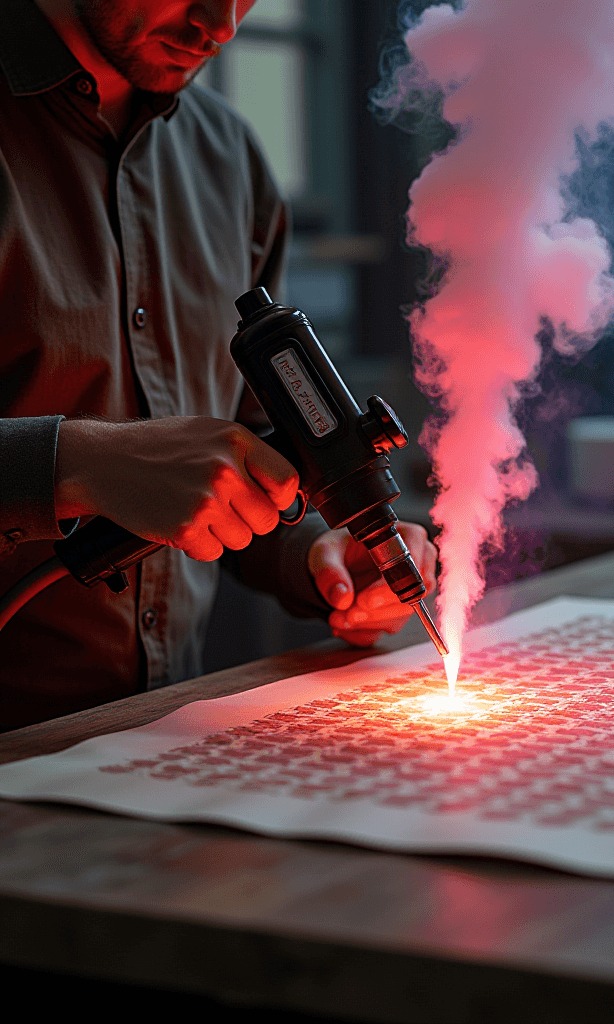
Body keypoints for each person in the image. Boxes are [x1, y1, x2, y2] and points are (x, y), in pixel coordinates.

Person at [0, 0, 437, 730]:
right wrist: (73, 465)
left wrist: (321, 548)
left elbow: (255, 441)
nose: (222, 23)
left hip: (163, 732)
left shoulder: (227, 157)